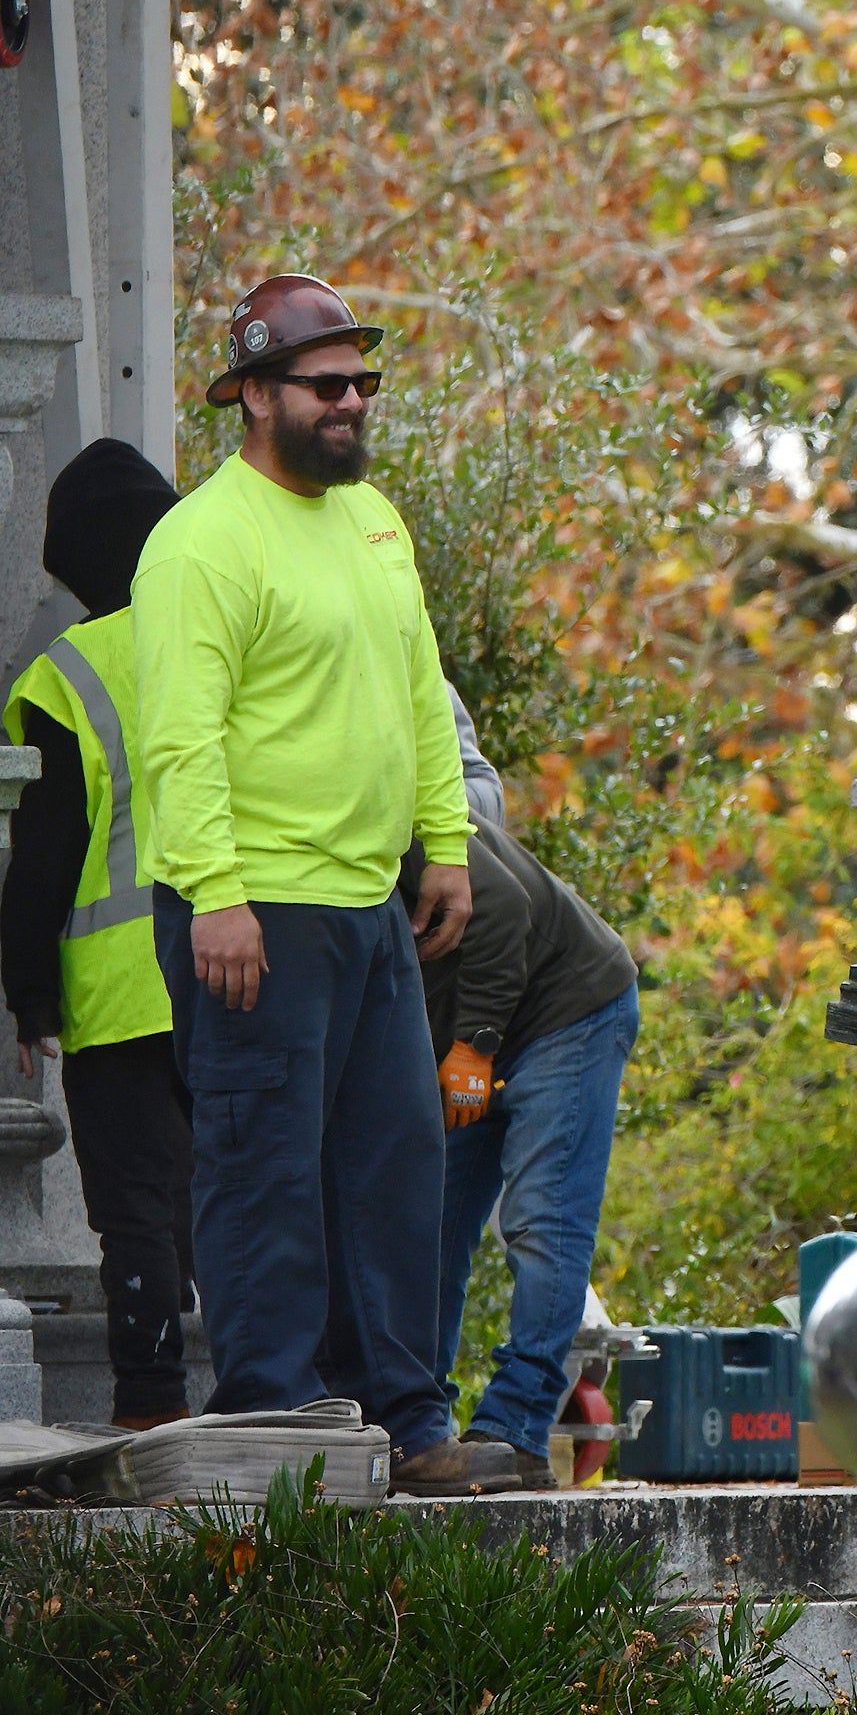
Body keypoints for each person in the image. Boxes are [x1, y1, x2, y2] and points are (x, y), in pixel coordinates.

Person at [133, 272, 516, 1497]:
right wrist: (217, 893)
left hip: (367, 909)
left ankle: (404, 1425)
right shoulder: (202, 542)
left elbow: (418, 692)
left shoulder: (376, 523)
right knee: (264, 1173)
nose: (353, 402)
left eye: (364, 382)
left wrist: (447, 846)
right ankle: (275, 1424)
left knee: (396, 1169)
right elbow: (180, 738)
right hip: (254, 912)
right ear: (254, 396)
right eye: (325, 383)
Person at [0, 439, 194, 1427]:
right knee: (227, 1199)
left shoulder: (61, 676)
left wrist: (30, 991)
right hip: (233, 968)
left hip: (118, 993)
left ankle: (152, 1407)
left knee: (134, 1210)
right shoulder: (221, 640)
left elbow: (43, 854)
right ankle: (257, 1400)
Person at [402, 819, 639, 1487]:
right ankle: (417, 1427)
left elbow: (503, 907)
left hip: (569, 1010)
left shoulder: (394, 818)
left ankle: (517, 1429)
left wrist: (475, 1045)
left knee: (541, 1224)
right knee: (427, 1229)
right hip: (473, 1038)